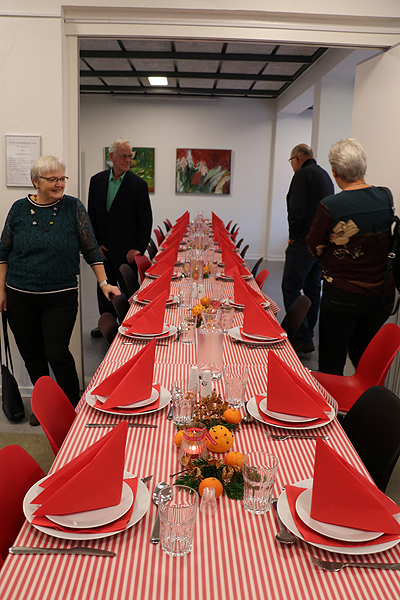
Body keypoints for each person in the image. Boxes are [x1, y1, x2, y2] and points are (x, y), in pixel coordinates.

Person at [0, 156, 120, 425]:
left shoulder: (73, 208)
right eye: (52, 179)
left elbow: (91, 248)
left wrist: (104, 283)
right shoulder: (19, 209)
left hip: (60, 296)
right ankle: (44, 407)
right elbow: (3, 251)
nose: (59, 184)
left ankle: (71, 405)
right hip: (20, 295)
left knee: (57, 352)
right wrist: (1, 291)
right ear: (36, 182)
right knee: (32, 354)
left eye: (62, 178)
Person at [307, 138, 395, 376]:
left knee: (331, 361)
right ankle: (364, 409)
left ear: (335, 172)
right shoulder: (385, 197)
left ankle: (332, 411)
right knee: (363, 358)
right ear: (363, 168)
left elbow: (313, 247)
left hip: (342, 295)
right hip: (380, 296)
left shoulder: (331, 205)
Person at [88, 139, 152, 336]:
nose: (127, 159)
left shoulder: (138, 185)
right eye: (123, 155)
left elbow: (146, 219)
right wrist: (95, 244)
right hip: (104, 250)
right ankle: (106, 324)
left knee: (127, 290)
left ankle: (129, 325)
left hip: (126, 252)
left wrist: (139, 247)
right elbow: (92, 216)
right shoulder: (96, 181)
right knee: (104, 289)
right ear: (111, 157)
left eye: (130, 156)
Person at [281, 144, 334, 355]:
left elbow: (296, 210)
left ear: (296, 159)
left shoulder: (302, 175)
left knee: (290, 287)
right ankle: (308, 333)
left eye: (291, 162)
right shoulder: (325, 176)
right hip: (321, 244)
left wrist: (293, 236)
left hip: (303, 241)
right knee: (312, 289)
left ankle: (301, 338)